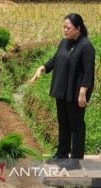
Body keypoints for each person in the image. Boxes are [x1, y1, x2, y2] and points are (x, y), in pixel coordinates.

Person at [29, 13, 95, 170]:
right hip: (62, 90)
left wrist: (82, 93)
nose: (64, 30)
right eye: (63, 27)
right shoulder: (64, 42)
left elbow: (88, 71)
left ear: (78, 28)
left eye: (68, 28)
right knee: (63, 122)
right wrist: (42, 68)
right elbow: (55, 59)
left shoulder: (86, 46)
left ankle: (76, 160)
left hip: (76, 92)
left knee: (76, 125)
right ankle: (62, 154)